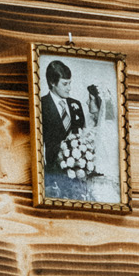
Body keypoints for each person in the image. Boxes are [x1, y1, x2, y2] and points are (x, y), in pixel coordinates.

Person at [39, 58, 87, 197]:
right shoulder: (41, 105)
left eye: (70, 83)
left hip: (77, 175)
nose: (69, 88)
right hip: (53, 174)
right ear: (52, 83)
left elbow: (82, 136)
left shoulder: (76, 105)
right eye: (65, 84)